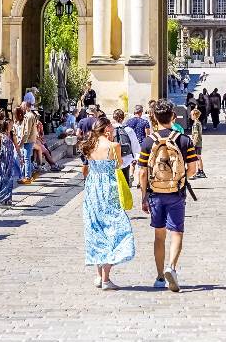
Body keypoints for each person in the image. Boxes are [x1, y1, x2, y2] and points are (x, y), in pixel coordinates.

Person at [138, 99, 199, 293]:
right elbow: (192, 169)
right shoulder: (184, 140)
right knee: (177, 233)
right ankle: (171, 267)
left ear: (154, 117)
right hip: (176, 193)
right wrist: (179, 179)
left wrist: (144, 196)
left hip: (155, 193)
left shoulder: (148, 141)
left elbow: (141, 172)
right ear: (173, 117)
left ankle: (158, 277)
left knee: (159, 235)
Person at [81, 116, 135, 290]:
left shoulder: (89, 146)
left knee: (96, 230)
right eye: (111, 126)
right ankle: (106, 279)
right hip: (108, 189)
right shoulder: (113, 146)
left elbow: (86, 168)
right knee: (114, 230)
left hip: (92, 189)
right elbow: (118, 165)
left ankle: (98, 276)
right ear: (106, 129)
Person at [0, 118, 22, 206]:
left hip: (10, 160)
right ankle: (0, 196)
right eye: (10, 124)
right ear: (6, 125)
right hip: (2, 160)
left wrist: (20, 157)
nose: (11, 126)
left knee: (9, 179)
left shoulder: (12, 135)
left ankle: (8, 198)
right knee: (0, 179)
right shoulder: (0, 135)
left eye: (12, 124)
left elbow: (17, 147)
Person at [111, 109, 141, 186]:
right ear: (123, 118)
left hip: (112, 160)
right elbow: (135, 145)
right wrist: (135, 157)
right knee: (125, 183)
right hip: (126, 159)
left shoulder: (110, 129)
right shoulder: (128, 129)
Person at [188, 108, 206, 179]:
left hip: (196, 143)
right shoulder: (199, 123)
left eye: (192, 114)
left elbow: (196, 134)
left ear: (195, 115)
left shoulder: (195, 124)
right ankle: (200, 171)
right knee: (198, 157)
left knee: (196, 158)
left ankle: (199, 171)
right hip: (199, 143)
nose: (190, 116)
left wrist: (193, 144)